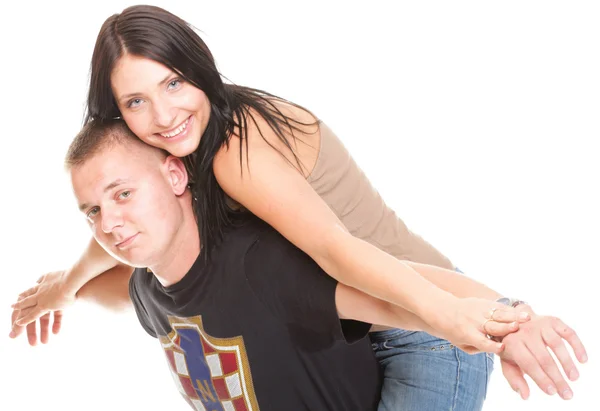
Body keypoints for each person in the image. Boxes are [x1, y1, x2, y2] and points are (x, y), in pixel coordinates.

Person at [9, 5, 587, 409]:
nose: (163, 116)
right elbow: (115, 216)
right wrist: (67, 285)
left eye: (175, 83)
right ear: (116, 114)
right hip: (349, 321)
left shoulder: (233, 151)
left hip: (419, 309)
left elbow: (337, 250)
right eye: (137, 100)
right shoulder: (171, 152)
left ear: (200, 70)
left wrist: (495, 318)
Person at [43, 118, 501, 410]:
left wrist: (510, 318)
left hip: (434, 336)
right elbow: (115, 295)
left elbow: (400, 302)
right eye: (93, 212)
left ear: (176, 174)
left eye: (123, 194)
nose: (110, 225)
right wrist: (65, 291)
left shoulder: (258, 266)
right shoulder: (150, 288)